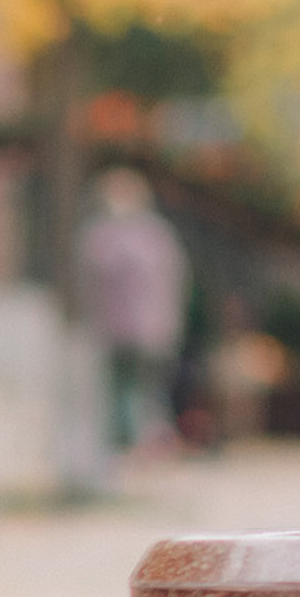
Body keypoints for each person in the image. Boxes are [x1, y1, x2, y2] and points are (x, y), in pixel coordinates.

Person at [76, 167, 190, 455]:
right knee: (134, 390)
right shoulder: (153, 235)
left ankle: (137, 445)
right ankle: (140, 445)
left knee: (137, 389)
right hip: (133, 328)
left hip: (135, 328)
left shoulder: (109, 235)